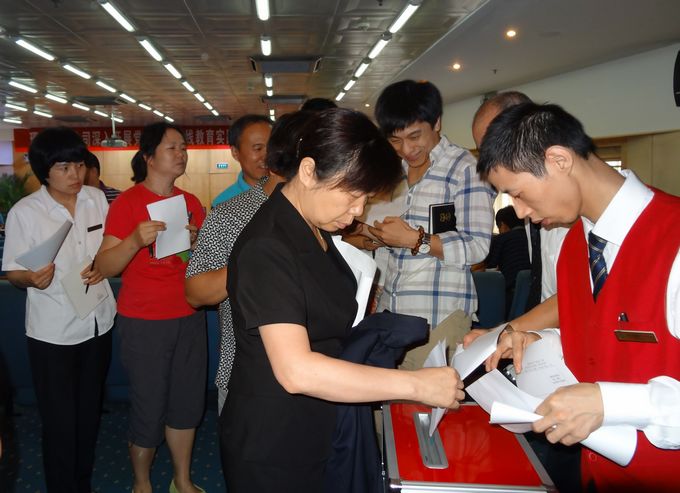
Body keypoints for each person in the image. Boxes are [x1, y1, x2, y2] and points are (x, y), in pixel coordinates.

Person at [220, 108, 465, 492]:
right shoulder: (267, 245)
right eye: (352, 195)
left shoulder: (314, 229)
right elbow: (296, 371)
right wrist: (415, 385)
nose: (357, 212)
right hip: (275, 439)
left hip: (318, 420)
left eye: (364, 198)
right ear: (307, 171)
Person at [478, 102, 680, 492]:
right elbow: (601, 339)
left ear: (559, 160)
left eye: (518, 194)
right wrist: (542, 342)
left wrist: (607, 403)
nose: (520, 211)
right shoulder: (574, 246)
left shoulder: (673, 238)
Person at [471, 92, 580, 493]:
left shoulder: (567, 208)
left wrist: (508, 331)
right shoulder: (540, 211)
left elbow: (572, 299)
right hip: (551, 353)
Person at [2, 127, 116, 492]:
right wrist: (30, 279)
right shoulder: (26, 212)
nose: (75, 175)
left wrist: (106, 262)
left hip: (98, 323)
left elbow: (109, 248)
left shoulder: (96, 199)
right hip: (54, 334)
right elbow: (13, 272)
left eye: (79, 165)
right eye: (64, 167)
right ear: (44, 170)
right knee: (60, 424)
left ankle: (82, 483)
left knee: (88, 417)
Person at [94, 122, 206, 493]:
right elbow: (104, 266)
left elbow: (202, 265)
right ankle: (141, 482)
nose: (181, 154)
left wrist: (196, 245)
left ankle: (182, 479)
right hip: (144, 321)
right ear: (149, 157)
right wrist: (133, 240)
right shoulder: (127, 203)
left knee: (186, 402)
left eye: (183, 147)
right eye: (172, 147)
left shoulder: (191, 203)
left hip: (188, 315)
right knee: (149, 404)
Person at [185, 110, 309, 414]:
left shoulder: (318, 213)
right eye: (258, 147)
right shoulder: (229, 213)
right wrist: (251, 265)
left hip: (314, 370)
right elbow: (195, 292)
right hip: (245, 369)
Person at [365, 79, 495, 366]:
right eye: (395, 140)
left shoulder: (465, 169)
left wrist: (415, 239)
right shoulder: (392, 173)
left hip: (438, 318)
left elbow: (477, 246)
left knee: (428, 395)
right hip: (390, 314)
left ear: (436, 122)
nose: (406, 149)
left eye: (415, 136)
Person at [211, 114, 272, 207]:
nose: (267, 156)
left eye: (272, 147)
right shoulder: (223, 205)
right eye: (258, 148)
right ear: (235, 152)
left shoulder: (289, 193)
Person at [484, 205, 531, 315]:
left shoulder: (501, 239)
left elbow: (490, 267)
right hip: (531, 292)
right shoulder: (530, 237)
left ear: (503, 225)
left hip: (510, 293)